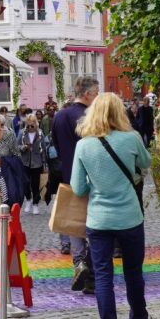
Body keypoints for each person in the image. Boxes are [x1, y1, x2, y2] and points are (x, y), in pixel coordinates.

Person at [70, 92, 153, 319]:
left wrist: (95, 181)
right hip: (129, 217)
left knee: (103, 277)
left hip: (99, 220)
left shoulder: (84, 146)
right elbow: (146, 163)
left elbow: (77, 188)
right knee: (133, 273)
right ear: (120, 112)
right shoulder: (132, 138)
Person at [55, 77, 100, 293]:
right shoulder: (91, 117)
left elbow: (56, 146)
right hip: (92, 177)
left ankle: (79, 262)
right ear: (88, 94)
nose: (97, 97)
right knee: (94, 224)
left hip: (68, 175)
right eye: (97, 93)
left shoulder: (60, 116)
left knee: (74, 223)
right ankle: (91, 272)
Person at [18, 111, 49, 214]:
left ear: (36, 124)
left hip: (37, 162)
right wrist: (23, 147)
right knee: (26, 183)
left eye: (32, 125)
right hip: (25, 162)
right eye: (28, 125)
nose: (30, 127)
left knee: (35, 184)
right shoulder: (22, 133)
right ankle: (28, 199)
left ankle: (35, 203)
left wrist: (45, 164)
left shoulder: (40, 134)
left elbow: (44, 150)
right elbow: (17, 146)